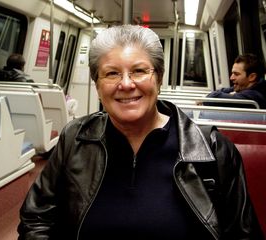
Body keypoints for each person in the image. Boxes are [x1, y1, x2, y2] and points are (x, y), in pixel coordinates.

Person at [18, 25, 263, 239]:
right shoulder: (75, 138)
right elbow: (36, 218)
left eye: (138, 71)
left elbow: (243, 234)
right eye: (112, 73)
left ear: (158, 78)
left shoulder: (212, 149)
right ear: (97, 85)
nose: (126, 84)